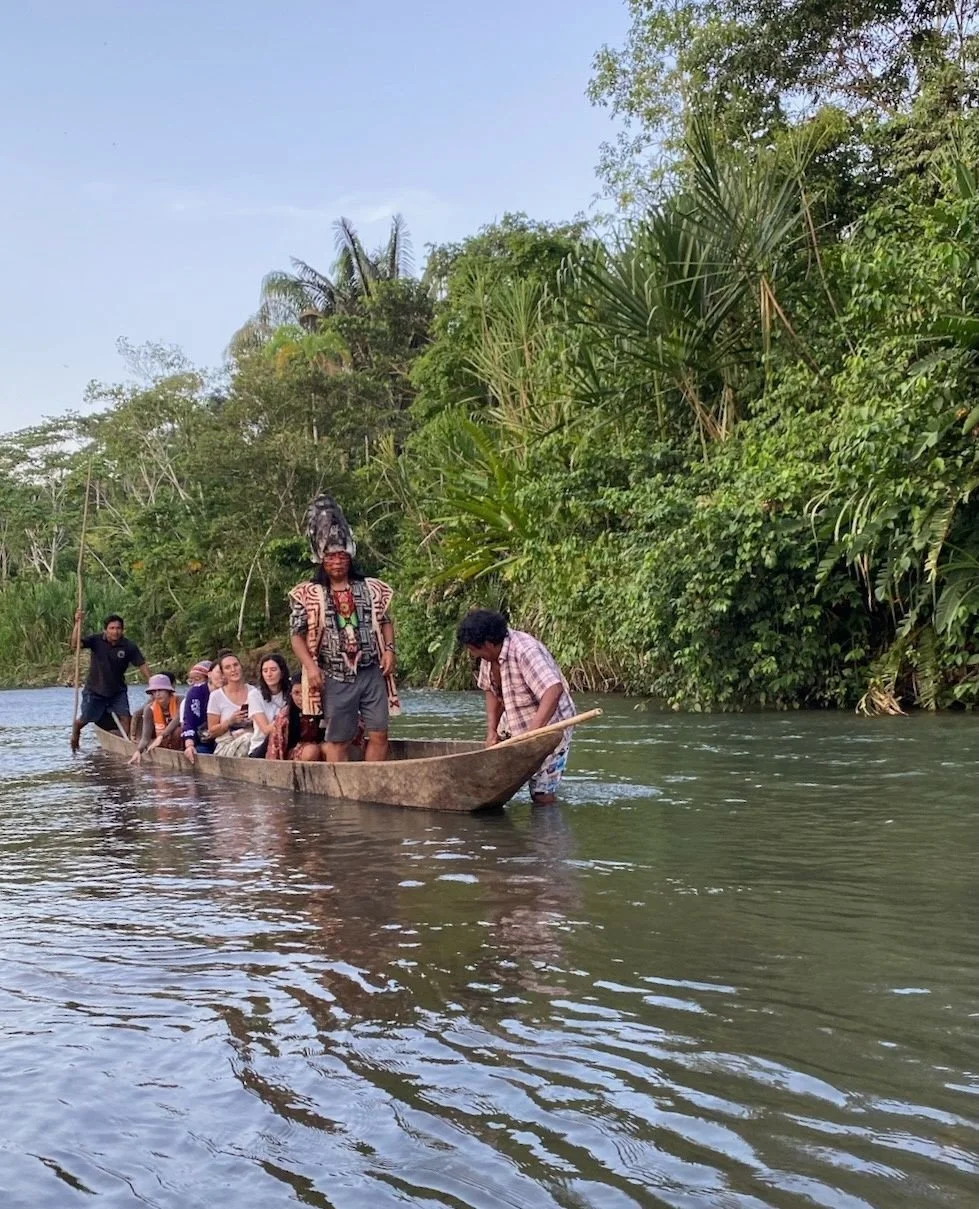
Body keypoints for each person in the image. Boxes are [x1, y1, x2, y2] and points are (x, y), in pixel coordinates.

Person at [289, 493, 399, 762]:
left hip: (370, 670)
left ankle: (372, 783)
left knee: (379, 733)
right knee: (338, 739)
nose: (337, 562)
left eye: (341, 557)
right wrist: (312, 668)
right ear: (322, 562)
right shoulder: (308, 593)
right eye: (331, 558)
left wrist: (390, 651)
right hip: (335, 675)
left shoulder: (371, 588)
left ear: (349, 559)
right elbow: (296, 636)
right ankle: (343, 787)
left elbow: (385, 622)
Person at [456, 608, 576, 805]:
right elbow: (491, 691)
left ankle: (547, 833)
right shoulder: (490, 656)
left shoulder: (525, 651)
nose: (472, 653)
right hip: (515, 717)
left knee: (541, 794)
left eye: (472, 649)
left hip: (551, 726)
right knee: (497, 772)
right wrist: (492, 731)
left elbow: (553, 690)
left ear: (486, 644)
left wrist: (533, 734)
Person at [70, 609, 151, 750]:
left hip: (117, 691)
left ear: (122, 630)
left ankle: (123, 746)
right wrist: (78, 623)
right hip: (95, 690)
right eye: (112, 628)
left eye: (118, 628)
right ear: (105, 630)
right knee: (84, 719)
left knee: (126, 719)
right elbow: (75, 645)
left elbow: (141, 665)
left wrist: (153, 684)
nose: (115, 632)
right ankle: (75, 736)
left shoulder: (128, 646)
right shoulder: (96, 641)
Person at [206, 650, 266, 757]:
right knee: (248, 739)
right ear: (223, 673)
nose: (233, 670)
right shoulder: (216, 696)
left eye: (235, 665)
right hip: (227, 745)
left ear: (241, 667)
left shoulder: (254, 692)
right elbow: (211, 732)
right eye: (228, 667)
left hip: (254, 740)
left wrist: (253, 720)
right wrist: (230, 721)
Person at [266, 673, 330, 762]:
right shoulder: (285, 715)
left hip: (321, 745)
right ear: (291, 694)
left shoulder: (325, 709)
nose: (301, 698)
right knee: (311, 751)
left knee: (331, 749)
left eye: (306, 692)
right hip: (296, 753)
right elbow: (276, 748)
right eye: (296, 693)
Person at [129, 674, 184, 764]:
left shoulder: (180, 700)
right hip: (163, 741)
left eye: (160, 690)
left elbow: (178, 717)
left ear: (168, 691)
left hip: (180, 739)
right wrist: (139, 751)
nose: (157, 694)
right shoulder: (149, 708)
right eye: (154, 691)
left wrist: (162, 736)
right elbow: (145, 737)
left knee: (178, 731)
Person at [249, 653, 290, 758]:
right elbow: (266, 730)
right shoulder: (255, 695)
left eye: (273, 670)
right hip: (262, 745)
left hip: (288, 741)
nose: (269, 674)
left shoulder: (291, 691)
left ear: (282, 672)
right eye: (265, 671)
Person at [180, 659, 220, 764]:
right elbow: (189, 722)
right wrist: (189, 745)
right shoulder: (195, 693)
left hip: (224, 739)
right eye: (191, 680)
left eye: (197, 679)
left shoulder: (229, 691)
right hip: (203, 741)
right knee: (200, 752)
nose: (194, 684)